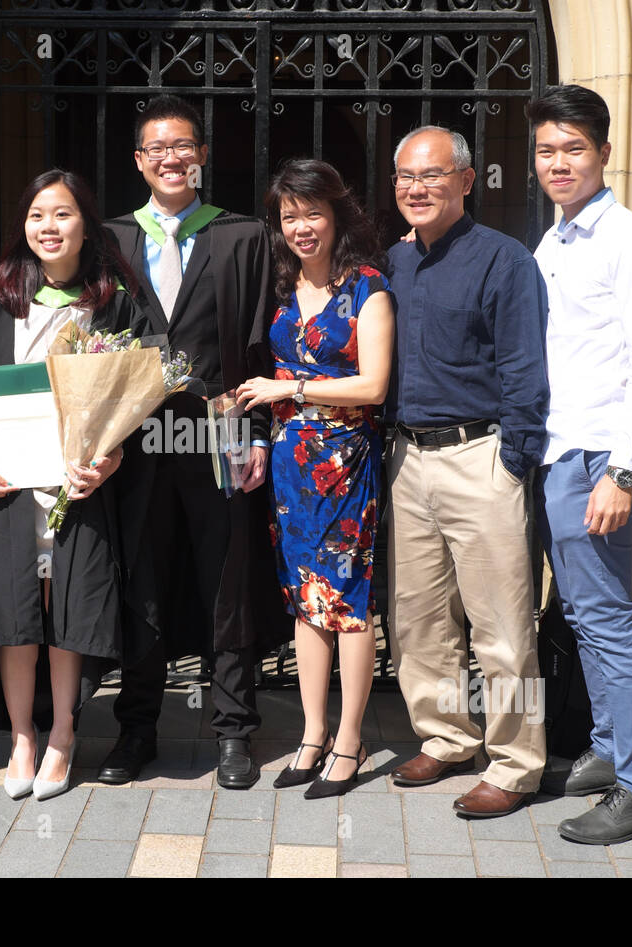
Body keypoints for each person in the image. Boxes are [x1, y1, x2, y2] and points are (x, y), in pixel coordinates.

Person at [99, 94, 284, 789]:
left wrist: (257, 430)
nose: (172, 158)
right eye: (157, 148)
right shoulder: (111, 240)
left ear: (202, 156)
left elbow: (264, 346)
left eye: (184, 146)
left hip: (221, 434)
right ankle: (136, 728)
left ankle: (234, 729)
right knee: (142, 582)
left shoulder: (243, 238)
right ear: (140, 161)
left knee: (226, 582)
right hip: (138, 443)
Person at [0, 169, 146, 801]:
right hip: (9, 479)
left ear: (87, 224)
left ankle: (62, 732)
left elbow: (135, 397)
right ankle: (22, 739)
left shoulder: (115, 301)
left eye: (62, 215)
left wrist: (110, 458)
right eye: (37, 216)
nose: (48, 227)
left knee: (67, 606)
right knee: (15, 611)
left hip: (78, 483)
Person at [384, 125, 549, 819]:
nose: (416, 188)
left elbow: (524, 369)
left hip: (480, 457)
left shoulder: (504, 261)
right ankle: (447, 735)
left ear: (467, 181)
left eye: (433, 175)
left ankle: (517, 764)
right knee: (418, 620)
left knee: (504, 626)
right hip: (405, 459)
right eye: (404, 177)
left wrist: (513, 462)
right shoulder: (391, 263)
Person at [526, 85, 632, 843]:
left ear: (605, 154)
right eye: (547, 149)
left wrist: (623, 471)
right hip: (559, 450)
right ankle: (613, 752)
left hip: (595, 459)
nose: (558, 162)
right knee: (584, 614)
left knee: (610, 619)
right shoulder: (555, 241)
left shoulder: (628, 240)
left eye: (573, 148)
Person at [236, 159, 393, 798]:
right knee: (306, 603)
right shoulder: (278, 287)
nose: (302, 227)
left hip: (347, 462)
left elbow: (375, 385)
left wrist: (289, 386)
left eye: (313, 213)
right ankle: (311, 735)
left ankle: (350, 742)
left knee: (348, 604)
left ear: (337, 215)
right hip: (291, 466)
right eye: (290, 216)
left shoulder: (367, 288)